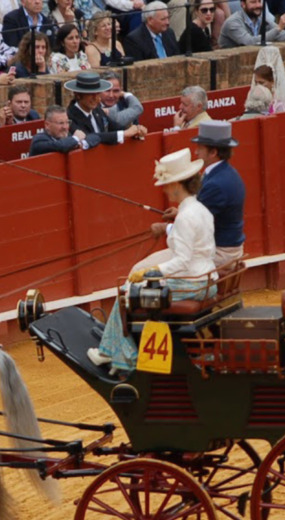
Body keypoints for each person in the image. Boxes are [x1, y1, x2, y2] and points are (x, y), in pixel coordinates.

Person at [87, 147, 218, 374]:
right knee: (133, 287)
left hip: (192, 282)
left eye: (167, 184)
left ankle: (116, 354)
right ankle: (114, 350)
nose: (165, 189)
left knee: (128, 292)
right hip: (205, 278)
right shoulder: (199, 209)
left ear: (177, 184)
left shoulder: (186, 216)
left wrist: (152, 271)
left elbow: (182, 262)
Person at [148, 120, 245, 270]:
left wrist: (164, 228)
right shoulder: (223, 173)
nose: (196, 152)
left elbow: (197, 226)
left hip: (219, 252)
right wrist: (179, 212)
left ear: (213, 152)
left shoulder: (216, 184)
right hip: (221, 247)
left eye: (200, 148)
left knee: (144, 270)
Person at [65, 71, 145, 146]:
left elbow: (114, 127)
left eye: (97, 93)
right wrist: (124, 134)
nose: (96, 98)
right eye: (91, 94)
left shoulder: (97, 110)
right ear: (78, 95)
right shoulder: (70, 116)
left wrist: (136, 131)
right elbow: (89, 137)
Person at [220, 0, 285, 48]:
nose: (258, 5)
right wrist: (278, 28)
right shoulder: (233, 22)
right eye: (253, 2)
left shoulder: (261, 19)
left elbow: (282, 36)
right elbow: (249, 42)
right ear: (243, 4)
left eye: (259, 1)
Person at [29, 103, 97, 155]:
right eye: (61, 123)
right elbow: (60, 146)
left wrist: (83, 143)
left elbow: (96, 137)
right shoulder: (39, 140)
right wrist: (76, 138)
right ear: (47, 125)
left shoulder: (68, 136)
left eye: (67, 122)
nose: (65, 127)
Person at [252, 49, 285, 113]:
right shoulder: (254, 100)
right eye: (256, 83)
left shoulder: (278, 106)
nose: (258, 86)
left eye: (261, 83)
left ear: (272, 82)